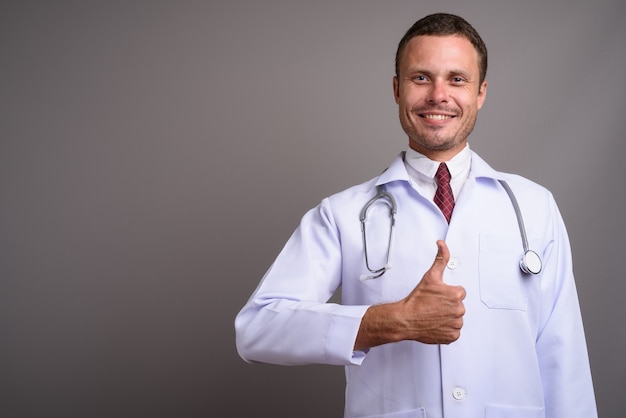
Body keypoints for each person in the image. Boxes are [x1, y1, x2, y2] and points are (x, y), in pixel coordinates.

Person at [235, 13, 597, 418]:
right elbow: (257, 329)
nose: (438, 95)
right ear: (396, 89)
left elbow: (565, 361)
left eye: (457, 79)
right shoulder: (342, 214)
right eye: (420, 78)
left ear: (481, 93)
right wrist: (392, 321)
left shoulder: (534, 207)